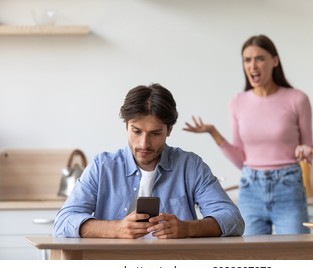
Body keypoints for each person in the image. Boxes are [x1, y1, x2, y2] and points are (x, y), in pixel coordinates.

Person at [54, 83, 244, 239]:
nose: (144, 144)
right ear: (126, 126)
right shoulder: (102, 167)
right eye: (136, 131)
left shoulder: (190, 166)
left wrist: (188, 228)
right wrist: (116, 229)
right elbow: (63, 222)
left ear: (168, 130)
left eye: (155, 133)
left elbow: (233, 219)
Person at [183, 34, 313, 235]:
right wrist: (213, 133)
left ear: (275, 61)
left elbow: (309, 147)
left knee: (295, 255)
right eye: (247, 60)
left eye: (260, 58)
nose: (252, 65)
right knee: (250, 255)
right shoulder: (237, 102)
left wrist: (304, 149)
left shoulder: (297, 99)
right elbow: (241, 160)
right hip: (250, 188)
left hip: (288, 187)